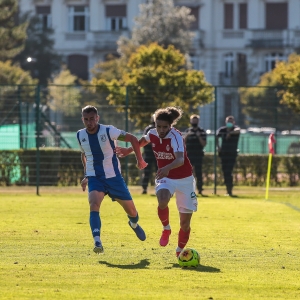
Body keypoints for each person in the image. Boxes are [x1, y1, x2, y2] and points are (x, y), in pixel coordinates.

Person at [116, 107, 198, 257]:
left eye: (164, 127)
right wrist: (129, 150)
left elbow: (180, 159)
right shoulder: (152, 133)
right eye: (158, 126)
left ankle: (179, 251)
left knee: (185, 224)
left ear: (170, 126)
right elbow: (142, 141)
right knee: (162, 199)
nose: (161, 130)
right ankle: (166, 228)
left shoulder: (176, 137)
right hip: (166, 177)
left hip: (185, 179)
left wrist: (167, 167)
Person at [77, 105, 148, 254]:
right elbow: (84, 155)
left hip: (114, 178)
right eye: (86, 119)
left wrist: (139, 159)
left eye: (92, 119)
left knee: (133, 212)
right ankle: (97, 241)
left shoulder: (109, 131)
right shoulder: (80, 135)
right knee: (94, 204)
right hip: (95, 177)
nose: (89, 122)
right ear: (82, 119)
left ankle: (133, 224)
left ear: (97, 118)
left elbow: (133, 139)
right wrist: (86, 175)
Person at [216, 115, 240, 197]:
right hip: (223, 154)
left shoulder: (235, 129)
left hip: (232, 154)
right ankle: (228, 189)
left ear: (234, 122)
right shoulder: (222, 130)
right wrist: (218, 146)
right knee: (225, 171)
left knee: (228, 171)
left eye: (231, 121)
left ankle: (230, 190)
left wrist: (230, 133)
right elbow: (217, 136)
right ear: (225, 122)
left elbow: (238, 130)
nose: (229, 123)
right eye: (228, 121)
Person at [184, 114, 207, 196]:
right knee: (188, 173)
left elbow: (204, 144)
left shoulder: (202, 131)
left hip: (198, 155)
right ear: (190, 121)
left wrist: (199, 136)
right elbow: (183, 142)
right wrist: (187, 135)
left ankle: (200, 189)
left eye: (195, 120)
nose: (194, 122)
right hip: (189, 155)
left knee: (198, 172)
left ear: (198, 121)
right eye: (193, 121)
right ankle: (188, 189)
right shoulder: (188, 131)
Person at [141, 114, 158, 194]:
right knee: (147, 171)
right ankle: (144, 188)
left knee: (159, 172)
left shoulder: (160, 129)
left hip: (158, 154)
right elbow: (145, 140)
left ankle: (159, 188)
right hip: (148, 154)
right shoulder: (148, 129)